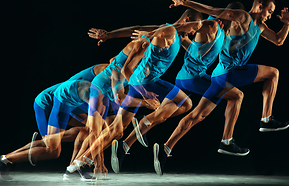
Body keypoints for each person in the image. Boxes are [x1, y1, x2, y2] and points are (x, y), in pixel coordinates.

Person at [152, 0, 289, 175]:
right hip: (229, 71)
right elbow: (214, 10)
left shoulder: (261, 28)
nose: (270, 15)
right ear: (259, 6)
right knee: (273, 73)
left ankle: (166, 148)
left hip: (221, 77)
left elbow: (279, 40)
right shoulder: (244, 17)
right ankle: (265, 119)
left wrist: (287, 23)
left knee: (199, 115)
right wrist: (186, 2)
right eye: (269, 11)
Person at [79, 9, 205, 175]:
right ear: (187, 19)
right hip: (130, 84)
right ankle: (142, 124)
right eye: (195, 27)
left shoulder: (173, 33)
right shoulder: (163, 33)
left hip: (131, 84)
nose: (195, 31)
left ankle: (84, 161)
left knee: (116, 130)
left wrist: (109, 35)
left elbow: (137, 28)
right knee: (185, 103)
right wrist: (110, 36)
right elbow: (136, 37)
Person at [123, 3, 249, 166]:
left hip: (188, 78)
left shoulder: (222, 33)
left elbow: (187, 41)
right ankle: (227, 141)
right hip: (192, 78)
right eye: (240, 21)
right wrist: (150, 33)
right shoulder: (212, 24)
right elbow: (180, 26)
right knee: (237, 95)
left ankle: (155, 146)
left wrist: (186, 42)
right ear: (231, 16)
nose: (240, 26)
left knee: (196, 115)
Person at [0, 64, 118, 181]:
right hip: (49, 103)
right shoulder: (102, 75)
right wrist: (99, 164)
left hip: (68, 104)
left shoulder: (106, 88)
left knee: (86, 131)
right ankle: (4, 160)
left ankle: (72, 169)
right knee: (53, 150)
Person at [67, 36, 160, 176]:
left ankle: (76, 165)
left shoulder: (125, 65)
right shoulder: (114, 72)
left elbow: (114, 62)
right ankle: (83, 165)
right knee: (94, 130)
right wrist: (146, 103)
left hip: (102, 93)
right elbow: (120, 97)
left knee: (116, 131)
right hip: (76, 97)